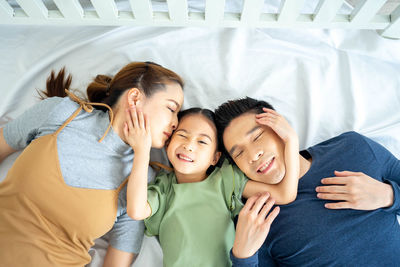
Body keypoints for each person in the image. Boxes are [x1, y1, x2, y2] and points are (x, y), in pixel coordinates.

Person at [0, 62, 184, 267]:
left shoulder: (141, 181)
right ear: (134, 97)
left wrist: (142, 153)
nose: (176, 122)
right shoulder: (62, 114)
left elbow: (118, 262)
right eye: (171, 108)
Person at [215, 97, 400, 266]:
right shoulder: (254, 217)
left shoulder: (353, 148)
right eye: (239, 153)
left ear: (279, 127)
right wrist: (243, 256)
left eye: (257, 137)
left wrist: (389, 195)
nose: (253, 155)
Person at [124, 106, 299, 266]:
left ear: (215, 158)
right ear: (169, 144)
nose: (189, 146)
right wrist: (142, 150)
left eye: (202, 142)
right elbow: (136, 210)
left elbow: (284, 194)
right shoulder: (164, 189)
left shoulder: (226, 180)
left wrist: (291, 141)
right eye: (182, 136)